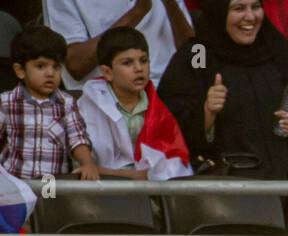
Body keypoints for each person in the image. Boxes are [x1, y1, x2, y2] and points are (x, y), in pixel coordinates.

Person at [159, 0, 288, 178]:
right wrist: (207, 112)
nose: (250, 17)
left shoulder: (278, 51)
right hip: (229, 181)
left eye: (256, 7)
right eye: (239, 8)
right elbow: (172, 131)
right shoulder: (198, 54)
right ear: (219, 10)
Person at [78, 26, 193, 180]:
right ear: (107, 72)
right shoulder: (88, 105)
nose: (139, 68)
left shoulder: (158, 111)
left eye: (144, 61)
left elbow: (173, 166)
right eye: (127, 63)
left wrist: (109, 172)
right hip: (99, 193)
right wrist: (137, 176)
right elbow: (82, 164)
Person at [0, 26, 98, 180]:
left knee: (50, 201)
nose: (50, 73)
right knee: (20, 204)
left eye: (56, 67)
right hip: (15, 181)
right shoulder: (7, 102)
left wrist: (87, 163)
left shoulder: (66, 103)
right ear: (20, 71)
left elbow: (77, 137)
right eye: (41, 66)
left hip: (51, 182)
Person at [43, 0, 193, 90]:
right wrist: (138, 11)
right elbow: (76, 65)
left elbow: (193, 54)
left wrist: (171, 5)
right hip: (108, 100)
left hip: (171, 92)